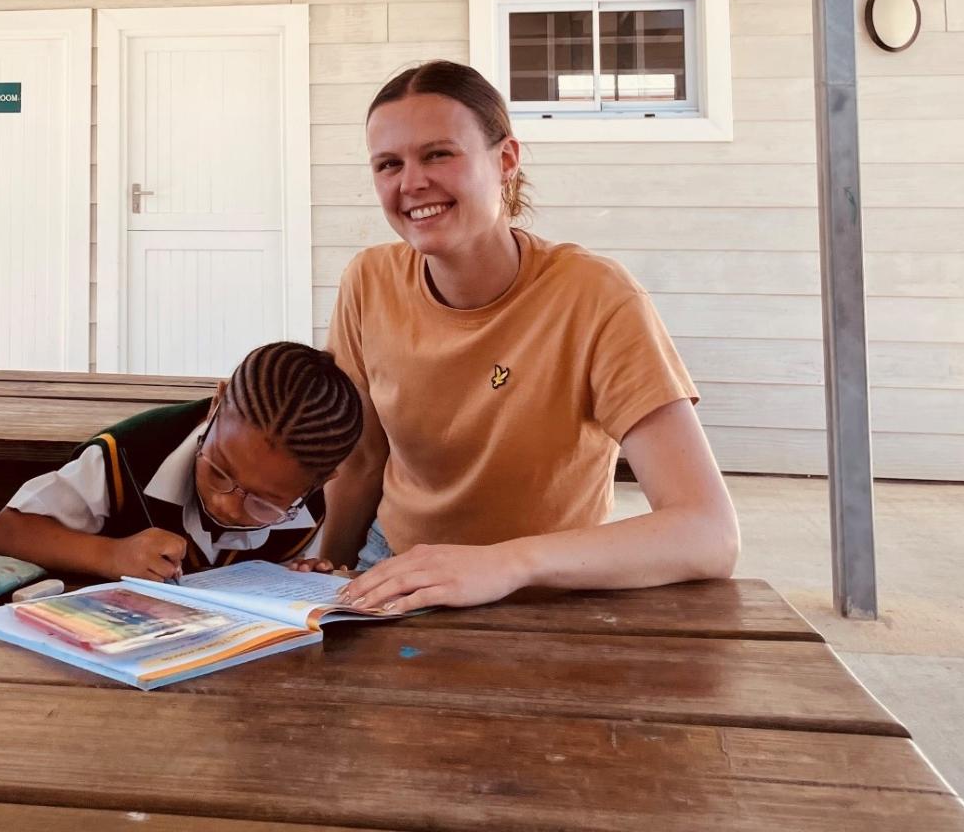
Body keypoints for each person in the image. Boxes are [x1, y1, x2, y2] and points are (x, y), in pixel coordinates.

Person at [311, 60, 739, 613]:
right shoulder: (367, 281)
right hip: (395, 571)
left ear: (506, 159)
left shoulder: (596, 296)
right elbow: (360, 463)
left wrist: (504, 564)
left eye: (438, 154)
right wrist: (329, 586)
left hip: (545, 592)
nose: (411, 182)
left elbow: (709, 533)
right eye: (388, 164)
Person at [0, 340, 363, 581]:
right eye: (218, 472)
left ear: (320, 482)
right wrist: (112, 555)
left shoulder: (305, 507)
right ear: (217, 403)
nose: (226, 503)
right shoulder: (129, 456)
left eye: (261, 504)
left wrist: (293, 578)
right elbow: (6, 532)